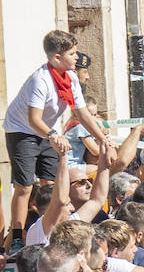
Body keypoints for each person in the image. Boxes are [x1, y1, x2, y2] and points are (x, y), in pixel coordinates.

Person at [4, 30, 111, 256]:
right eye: (72, 54)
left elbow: (81, 113)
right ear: (56, 58)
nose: (77, 57)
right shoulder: (40, 80)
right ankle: (16, 234)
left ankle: (49, 225)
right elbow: (34, 118)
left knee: (51, 183)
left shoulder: (71, 77)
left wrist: (103, 139)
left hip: (47, 131)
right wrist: (53, 134)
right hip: (22, 129)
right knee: (24, 186)